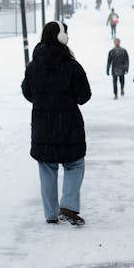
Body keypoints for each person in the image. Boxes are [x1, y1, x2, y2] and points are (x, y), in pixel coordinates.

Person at [21, 21, 92, 226]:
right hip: (69, 125)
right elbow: (84, 96)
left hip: (43, 125)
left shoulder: (33, 66)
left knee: (47, 168)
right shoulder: (72, 65)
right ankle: (68, 204)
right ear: (61, 37)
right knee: (75, 164)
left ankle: (51, 214)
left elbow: (27, 92)